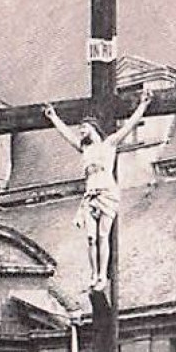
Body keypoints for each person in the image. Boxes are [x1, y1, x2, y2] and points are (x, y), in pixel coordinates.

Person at [43, 86, 153, 291]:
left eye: (84, 127)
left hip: (107, 193)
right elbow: (66, 135)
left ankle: (102, 275)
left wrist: (143, 105)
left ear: (93, 128)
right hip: (89, 196)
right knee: (91, 238)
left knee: (103, 236)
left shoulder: (109, 143)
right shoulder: (85, 149)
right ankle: (93, 275)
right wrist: (54, 118)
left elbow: (129, 125)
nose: (81, 130)